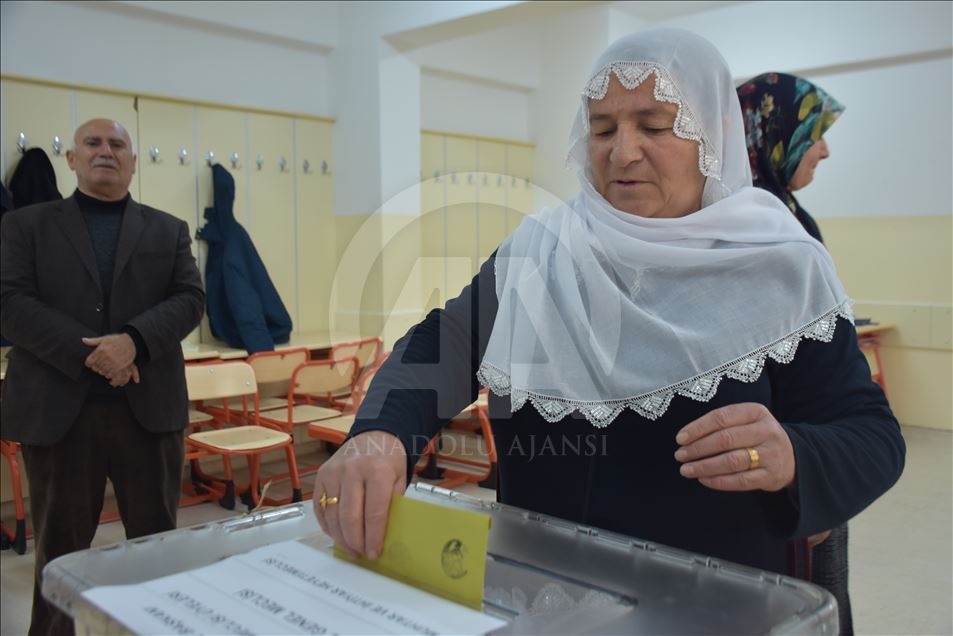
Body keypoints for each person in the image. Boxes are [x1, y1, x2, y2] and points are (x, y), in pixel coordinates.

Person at [311, 28, 905, 587]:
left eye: (654, 125)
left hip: (715, 602)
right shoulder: (544, 250)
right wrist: (381, 432)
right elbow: (447, 343)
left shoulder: (779, 264)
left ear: (714, 132)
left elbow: (870, 436)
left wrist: (794, 455)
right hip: (545, 589)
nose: (623, 153)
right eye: (602, 129)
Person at [0, 118, 205, 635]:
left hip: (148, 414)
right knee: (61, 553)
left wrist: (133, 341)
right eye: (92, 143)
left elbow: (190, 299)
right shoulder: (25, 226)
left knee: (157, 546)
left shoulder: (168, 228)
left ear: (133, 162)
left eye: (118, 144)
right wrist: (94, 353)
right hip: (58, 417)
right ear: (72, 159)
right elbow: (9, 303)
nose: (106, 151)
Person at [738, 71, 853, 633]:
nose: (825, 149)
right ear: (770, 133)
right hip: (777, 473)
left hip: (807, 459)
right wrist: (801, 483)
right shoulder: (750, 229)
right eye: (813, 132)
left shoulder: (786, 214)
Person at [737, 72, 844, 243]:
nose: (825, 152)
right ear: (777, 134)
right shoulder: (751, 223)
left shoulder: (788, 209)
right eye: (815, 136)